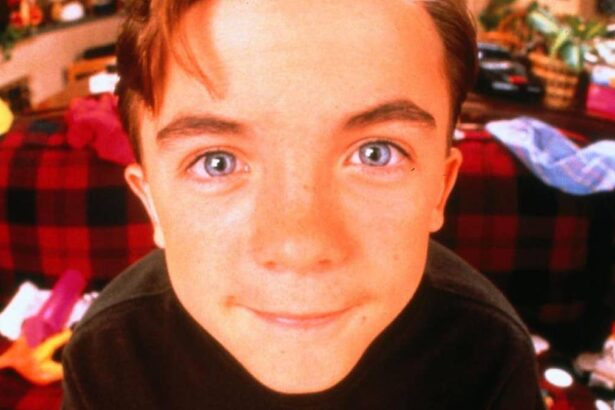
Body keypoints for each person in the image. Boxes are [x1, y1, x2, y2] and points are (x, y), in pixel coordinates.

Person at [62, 0, 545, 408]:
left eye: (376, 153)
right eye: (216, 162)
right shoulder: (107, 359)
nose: (300, 249)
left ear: (440, 187)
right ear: (151, 201)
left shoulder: (491, 356)